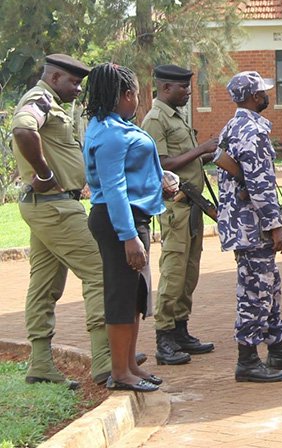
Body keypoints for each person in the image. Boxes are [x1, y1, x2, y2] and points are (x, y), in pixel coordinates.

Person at [11, 54, 110, 389]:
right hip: (54, 206)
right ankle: (106, 359)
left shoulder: (51, 102)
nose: (78, 90)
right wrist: (44, 172)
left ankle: (40, 365)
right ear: (54, 79)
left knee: (45, 285)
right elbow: (23, 128)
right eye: (73, 82)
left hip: (48, 206)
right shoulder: (39, 100)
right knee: (99, 271)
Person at [83, 63, 169, 392]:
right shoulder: (110, 134)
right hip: (120, 221)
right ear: (124, 95)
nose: (136, 99)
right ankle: (120, 373)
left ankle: (131, 364)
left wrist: (159, 181)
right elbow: (114, 188)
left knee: (135, 296)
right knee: (121, 296)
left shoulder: (113, 126)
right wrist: (129, 236)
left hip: (133, 216)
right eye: (132, 92)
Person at [217, 71, 282, 382]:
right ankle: (248, 359)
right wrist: (275, 225)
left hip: (246, 224)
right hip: (252, 226)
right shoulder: (251, 130)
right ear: (254, 97)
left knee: (269, 287)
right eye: (263, 92)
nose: (266, 95)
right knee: (255, 292)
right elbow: (259, 184)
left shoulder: (235, 125)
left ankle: (276, 347)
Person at [142, 64, 218, 366]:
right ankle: (164, 339)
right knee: (174, 272)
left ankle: (181, 330)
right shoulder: (156, 119)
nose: (188, 92)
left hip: (193, 206)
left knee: (189, 272)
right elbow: (162, 164)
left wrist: (205, 154)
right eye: (183, 88)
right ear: (164, 88)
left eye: (188, 87)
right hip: (176, 209)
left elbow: (184, 160)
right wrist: (200, 150)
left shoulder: (176, 116)